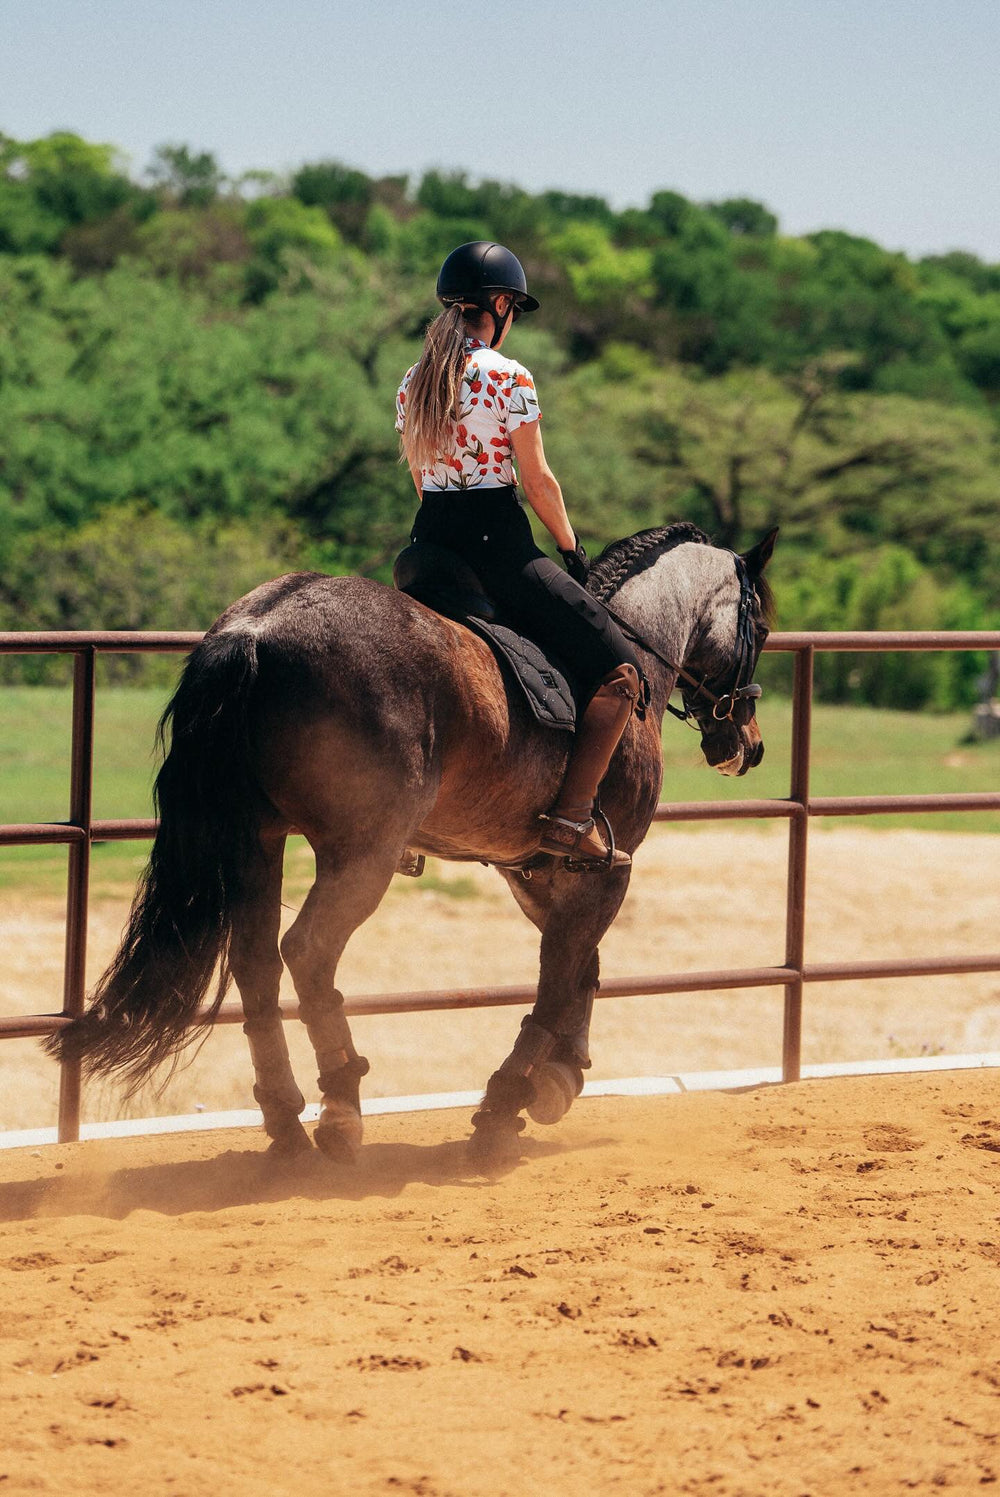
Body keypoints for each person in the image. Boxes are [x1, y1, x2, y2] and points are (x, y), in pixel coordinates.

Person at [396, 241, 642, 869]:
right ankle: (573, 817)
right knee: (620, 671)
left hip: (425, 551)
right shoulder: (510, 377)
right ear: (501, 305)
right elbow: (538, 482)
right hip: (496, 550)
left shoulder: (413, 381)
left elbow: (422, 479)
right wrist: (571, 547)